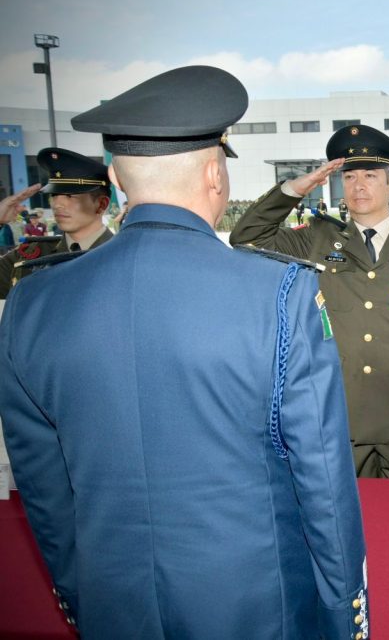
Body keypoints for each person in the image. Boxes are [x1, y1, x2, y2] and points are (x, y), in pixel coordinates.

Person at [0, 65, 368, 638]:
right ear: (215, 173)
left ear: (118, 181)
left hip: (113, 600)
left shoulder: (34, 302)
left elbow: (44, 489)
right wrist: (346, 612)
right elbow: (321, 474)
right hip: (256, 603)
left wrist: (83, 598)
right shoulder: (279, 291)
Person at [231, 124, 389, 479]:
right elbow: (246, 238)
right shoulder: (319, 238)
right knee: (343, 523)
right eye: (350, 177)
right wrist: (295, 189)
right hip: (337, 412)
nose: (359, 185)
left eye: (370, 175)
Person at [0, 150, 114, 299]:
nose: (57, 205)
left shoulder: (124, 256)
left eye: (70, 196)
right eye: (54, 195)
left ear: (101, 204)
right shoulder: (29, 256)